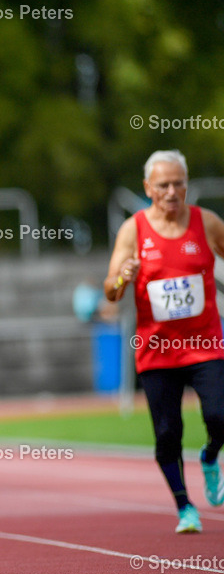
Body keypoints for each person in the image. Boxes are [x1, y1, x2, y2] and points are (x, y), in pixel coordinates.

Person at [104, 149, 224, 533]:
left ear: (187, 184)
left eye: (178, 183)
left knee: (220, 416)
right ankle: (185, 506)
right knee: (168, 434)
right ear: (147, 188)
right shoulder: (133, 230)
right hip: (157, 350)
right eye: (163, 185)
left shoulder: (207, 223)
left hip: (205, 343)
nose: (172, 192)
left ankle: (210, 455)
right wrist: (123, 276)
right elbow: (110, 291)